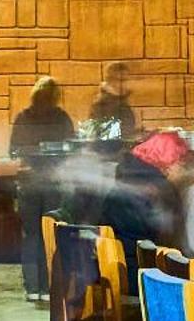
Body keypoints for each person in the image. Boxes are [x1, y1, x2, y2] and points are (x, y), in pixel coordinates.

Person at [10, 77, 75, 300]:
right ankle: (48, 287)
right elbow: (70, 150)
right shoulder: (61, 118)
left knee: (31, 235)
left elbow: (13, 150)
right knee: (51, 233)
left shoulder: (23, 118)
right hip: (53, 184)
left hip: (29, 183)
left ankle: (32, 288)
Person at [98, 130, 190, 262]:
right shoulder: (158, 189)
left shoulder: (129, 177)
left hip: (116, 261)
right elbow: (169, 238)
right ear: (169, 160)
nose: (183, 169)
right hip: (141, 269)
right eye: (181, 162)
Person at [10, 75, 74, 154]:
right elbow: (14, 150)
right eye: (40, 98)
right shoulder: (23, 118)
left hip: (57, 164)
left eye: (47, 98)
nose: (43, 102)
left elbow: (71, 147)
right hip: (32, 164)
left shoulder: (62, 118)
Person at [88, 61, 137, 137]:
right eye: (121, 80)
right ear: (111, 81)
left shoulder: (121, 101)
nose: (125, 84)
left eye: (126, 80)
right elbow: (103, 135)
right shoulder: (102, 105)